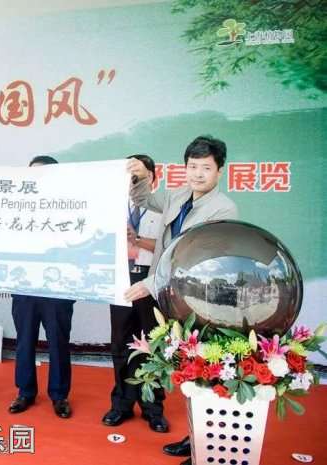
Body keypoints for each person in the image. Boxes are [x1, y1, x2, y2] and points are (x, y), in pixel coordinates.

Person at [125, 136, 238, 465]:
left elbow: (193, 255)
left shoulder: (223, 208)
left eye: (206, 168)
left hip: (199, 301)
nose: (198, 174)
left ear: (219, 171)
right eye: (192, 166)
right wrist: (139, 176)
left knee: (205, 370)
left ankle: (207, 444)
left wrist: (150, 283)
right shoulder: (177, 195)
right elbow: (144, 198)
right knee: (187, 369)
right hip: (171, 297)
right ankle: (195, 439)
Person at [103, 154, 169, 433]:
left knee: (152, 345)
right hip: (120, 280)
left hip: (150, 281)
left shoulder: (165, 206)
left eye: (137, 174)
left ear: (152, 176)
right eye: (128, 175)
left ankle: (153, 408)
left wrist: (137, 240)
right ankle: (121, 404)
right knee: (121, 344)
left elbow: (169, 247)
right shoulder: (113, 206)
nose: (131, 180)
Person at [8, 155, 74, 419]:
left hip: (58, 289)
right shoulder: (17, 207)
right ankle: (25, 392)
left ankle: (59, 395)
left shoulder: (71, 207)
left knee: (58, 342)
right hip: (25, 287)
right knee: (24, 341)